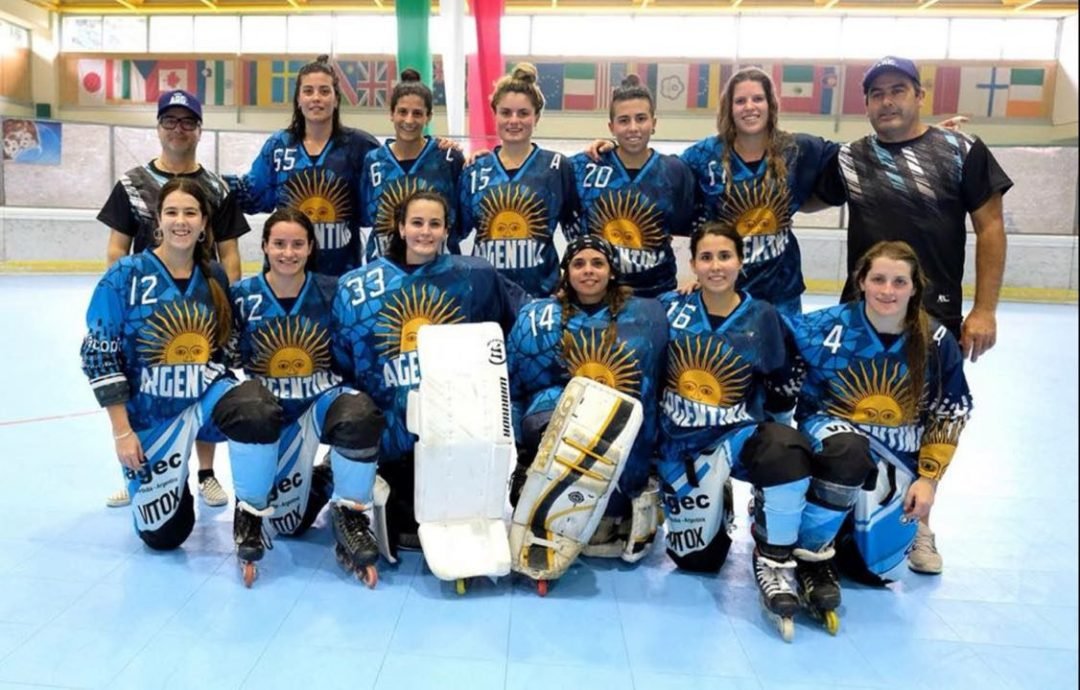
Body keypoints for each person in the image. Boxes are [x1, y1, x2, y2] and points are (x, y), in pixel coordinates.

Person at [814, 55, 1010, 574]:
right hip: (860, 315)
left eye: (898, 90)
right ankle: (850, 516)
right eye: (877, 94)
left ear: (919, 94)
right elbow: (805, 198)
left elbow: (991, 226)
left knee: (928, 420)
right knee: (860, 414)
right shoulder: (852, 158)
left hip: (934, 315)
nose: (888, 101)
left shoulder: (960, 150)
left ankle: (919, 524)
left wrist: (985, 308)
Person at [81, 178, 280, 562]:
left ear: (204, 222)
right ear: (158, 219)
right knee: (164, 536)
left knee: (258, 409)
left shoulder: (215, 277)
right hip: (151, 415)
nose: (181, 221)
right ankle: (169, 486)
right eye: (172, 212)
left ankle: (250, 514)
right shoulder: (125, 276)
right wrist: (122, 432)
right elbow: (99, 354)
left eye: (191, 212)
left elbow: (225, 350)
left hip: (204, 399)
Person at [332, 189, 525, 554]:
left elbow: (519, 321)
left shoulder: (475, 276)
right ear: (400, 228)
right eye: (417, 223)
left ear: (447, 230)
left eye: (434, 224)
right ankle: (340, 471)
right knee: (406, 527)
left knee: (446, 521)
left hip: (454, 423)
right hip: (390, 427)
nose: (426, 232)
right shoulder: (357, 286)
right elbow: (344, 361)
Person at [656, 221, 816, 639]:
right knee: (696, 563)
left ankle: (774, 554)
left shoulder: (762, 316)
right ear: (692, 263)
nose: (715, 266)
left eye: (724, 256)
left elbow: (781, 380)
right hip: (681, 443)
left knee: (787, 449)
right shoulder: (668, 308)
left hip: (736, 436)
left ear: (740, 261)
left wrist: (781, 440)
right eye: (706, 257)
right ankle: (716, 496)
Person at [787, 240, 971, 596]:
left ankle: (860, 531)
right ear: (861, 282)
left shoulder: (936, 340)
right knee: (848, 450)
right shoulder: (824, 328)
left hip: (897, 452)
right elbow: (765, 328)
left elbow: (951, 412)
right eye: (878, 279)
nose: (888, 291)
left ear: (915, 287)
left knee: (879, 573)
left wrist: (928, 481)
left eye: (899, 282)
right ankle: (809, 551)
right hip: (834, 434)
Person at [97, 89, 248, 509]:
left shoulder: (216, 187)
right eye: (170, 121)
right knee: (142, 388)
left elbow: (230, 253)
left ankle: (205, 474)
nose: (178, 129)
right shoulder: (132, 183)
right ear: (159, 126)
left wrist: (225, 302)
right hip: (145, 313)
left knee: (202, 381)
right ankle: (136, 476)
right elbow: (116, 248)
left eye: (187, 122)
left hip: (199, 307)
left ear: (199, 129)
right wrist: (121, 299)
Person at [587, 68, 837, 316]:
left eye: (757, 99)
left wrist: (808, 203)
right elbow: (656, 172)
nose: (749, 107)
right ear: (729, 108)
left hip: (781, 294)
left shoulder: (796, 149)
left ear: (770, 104)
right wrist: (616, 148)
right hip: (721, 293)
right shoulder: (703, 155)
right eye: (740, 101)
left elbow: (844, 170)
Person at [228, 208, 385, 585]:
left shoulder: (335, 292)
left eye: (298, 244)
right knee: (289, 524)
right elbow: (225, 358)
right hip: (270, 411)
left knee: (360, 412)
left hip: (321, 402)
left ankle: (350, 514)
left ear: (310, 247)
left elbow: (353, 352)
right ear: (264, 246)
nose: (288, 252)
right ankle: (250, 509)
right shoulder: (242, 297)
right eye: (279, 244)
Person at [506, 235, 667, 559]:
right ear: (566, 273)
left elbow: (657, 386)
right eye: (579, 264)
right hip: (557, 427)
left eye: (597, 263)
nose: (588, 271)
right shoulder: (535, 317)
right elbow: (514, 385)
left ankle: (623, 499)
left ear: (611, 271)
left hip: (624, 437)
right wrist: (520, 450)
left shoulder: (649, 315)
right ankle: (547, 493)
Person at [227, 55, 380, 277]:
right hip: (284, 276)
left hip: (340, 277)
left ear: (336, 99)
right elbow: (253, 195)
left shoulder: (361, 146)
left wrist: (437, 150)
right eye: (308, 91)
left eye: (324, 91)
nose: (316, 98)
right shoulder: (279, 146)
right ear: (298, 99)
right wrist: (212, 184)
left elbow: (379, 200)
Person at [458, 62, 581, 297]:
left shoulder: (557, 167)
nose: (514, 121)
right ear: (494, 115)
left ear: (536, 117)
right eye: (506, 113)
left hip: (542, 295)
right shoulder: (475, 170)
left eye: (523, 113)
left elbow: (577, 235)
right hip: (486, 294)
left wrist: (569, 283)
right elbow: (454, 233)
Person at [568, 76, 695, 298]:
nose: (633, 128)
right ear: (611, 126)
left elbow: (688, 232)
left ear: (654, 123)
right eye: (624, 120)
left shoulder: (675, 171)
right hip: (599, 296)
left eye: (641, 119)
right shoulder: (585, 166)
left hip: (658, 295)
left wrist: (694, 278)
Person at [362, 68, 466, 261]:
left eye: (417, 113)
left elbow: (463, 218)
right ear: (391, 114)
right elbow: (367, 216)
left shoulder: (448, 158)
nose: (409, 120)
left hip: (438, 267)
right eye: (402, 112)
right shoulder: (373, 160)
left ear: (429, 117)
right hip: (386, 266)